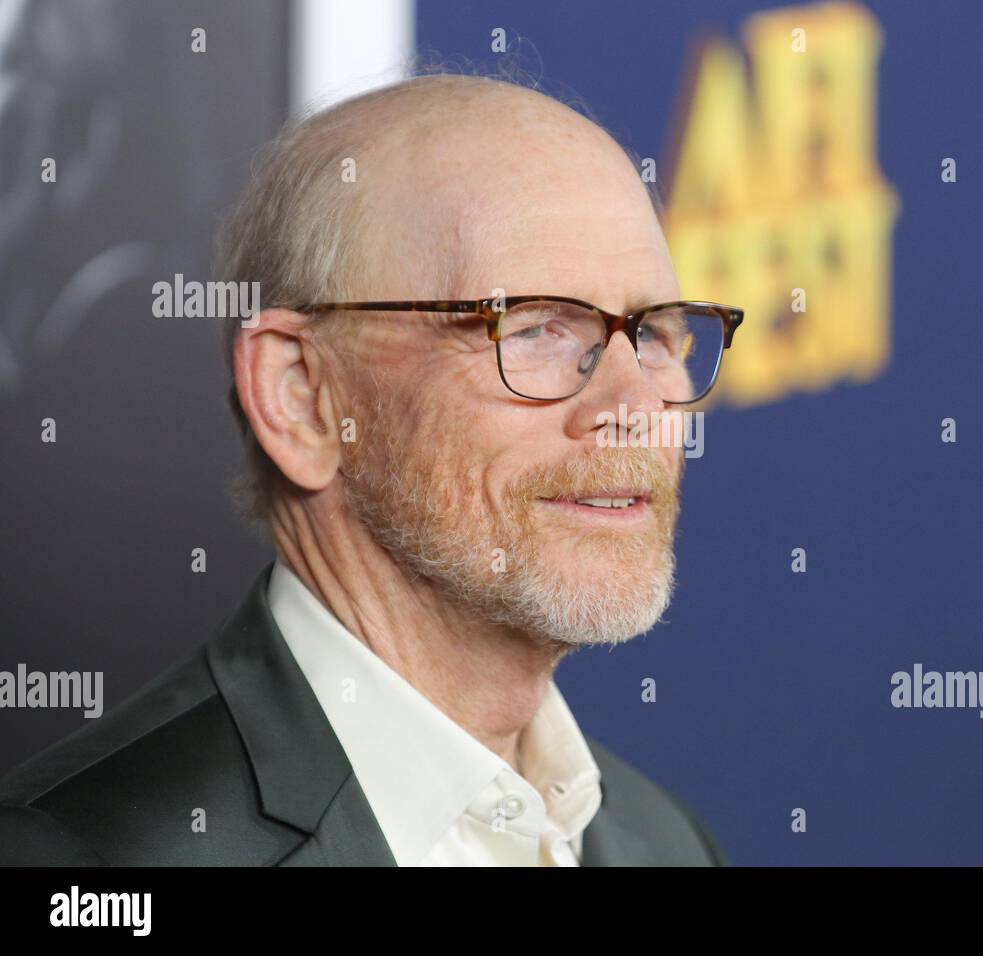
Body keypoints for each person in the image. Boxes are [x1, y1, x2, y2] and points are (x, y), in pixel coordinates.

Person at [0, 70, 742, 866]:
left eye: (657, 333)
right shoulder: (80, 860)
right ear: (302, 397)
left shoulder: (666, 845)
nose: (633, 403)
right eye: (534, 328)